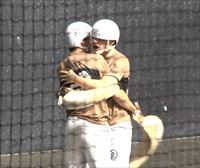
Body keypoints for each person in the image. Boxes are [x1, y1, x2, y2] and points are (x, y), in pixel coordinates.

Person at [59, 19, 144, 167]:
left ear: (112, 42)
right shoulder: (92, 57)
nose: (95, 42)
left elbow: (109, 89)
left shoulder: (120, 61)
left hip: (118, 125)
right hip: (98, 124)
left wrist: (133, 109)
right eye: (94, 38)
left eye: (100, 39)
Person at [57, 21, 121, 168]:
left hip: (72, 124)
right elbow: (109, 86)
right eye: (89, 39)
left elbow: (64, 93)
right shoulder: (97, 59)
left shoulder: (61, 66)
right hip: (95, 124)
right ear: (83, 41)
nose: (93, 42)